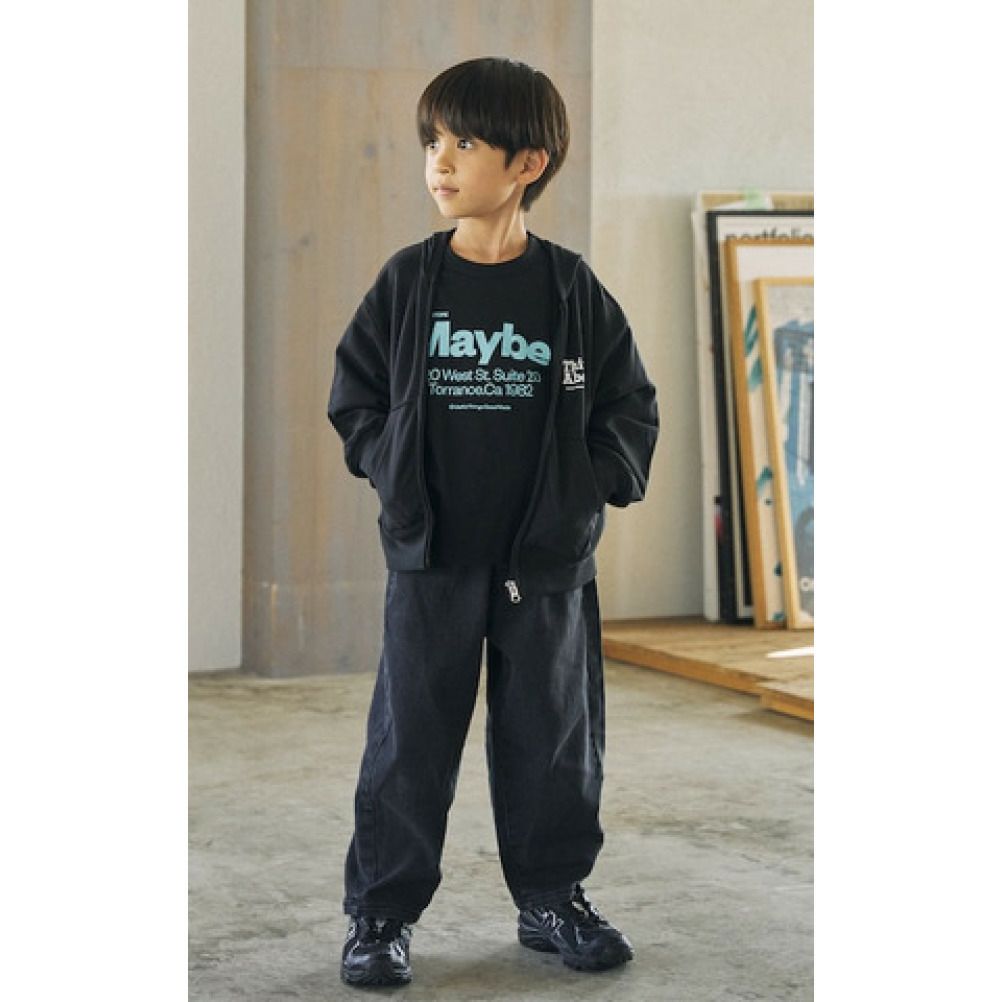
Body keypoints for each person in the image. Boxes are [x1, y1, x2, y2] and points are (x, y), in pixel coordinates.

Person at [327, 55, 659, 989]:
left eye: (464, 142)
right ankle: (381, 915)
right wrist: (393, 472)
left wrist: (585, 489)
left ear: (527, 163)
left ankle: (552, 898)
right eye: (433, 141)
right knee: (410, 740)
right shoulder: (409, 281)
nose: (439, 160)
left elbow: (629, 405)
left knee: (551, 737)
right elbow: (355, 396)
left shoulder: (568, 289)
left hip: (542, 565)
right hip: (433, 559)